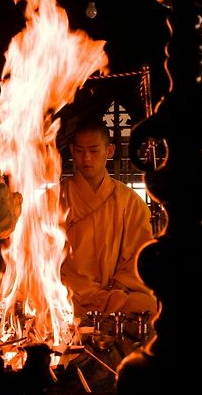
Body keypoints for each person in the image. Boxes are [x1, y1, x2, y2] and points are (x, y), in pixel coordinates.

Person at [60, 116, 158, 317]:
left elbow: (142, 251)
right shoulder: (55, 198)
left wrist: (122, 281)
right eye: (80, 151)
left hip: (112, 293)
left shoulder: (129, 201)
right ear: (71, 151)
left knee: (150, 306)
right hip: (66, 293)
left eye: (94, 151)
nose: (86, 158)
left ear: (110, 151)